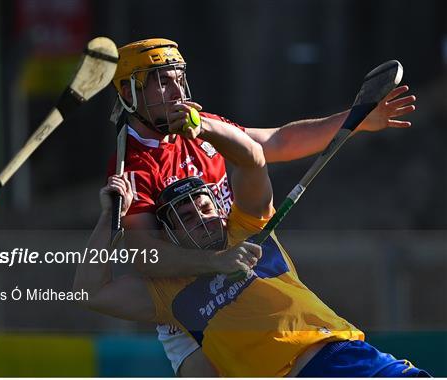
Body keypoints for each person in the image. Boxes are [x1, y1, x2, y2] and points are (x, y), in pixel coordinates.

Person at [105, 37, 417, 375]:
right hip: (188, 311)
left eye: (179, 78)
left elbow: (277, 141)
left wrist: (354, 121)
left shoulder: (200, 127)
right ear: (128, 93)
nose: (177, 91)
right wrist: (215, 262)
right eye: (163, 82)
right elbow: (146, 256)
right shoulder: (133, 166)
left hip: (244, 282)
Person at [75, 171, 430, 376]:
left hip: (340, 358)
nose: (200, 220)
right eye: (185, 218)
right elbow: (91, 292)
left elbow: (252, 157)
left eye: (204, 208)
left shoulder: (248, 227)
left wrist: (202, 125)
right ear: (170, 237)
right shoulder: (168, 291)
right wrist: (109, 218)